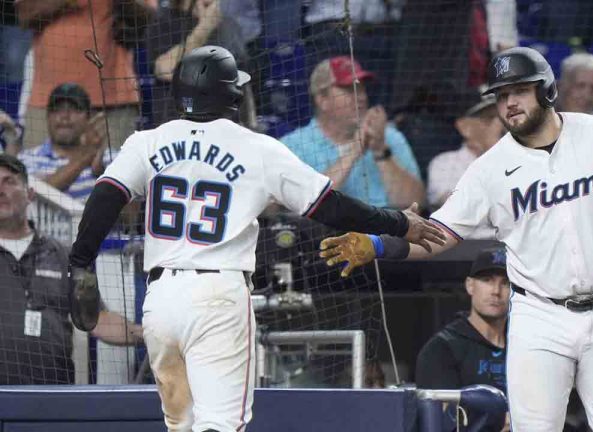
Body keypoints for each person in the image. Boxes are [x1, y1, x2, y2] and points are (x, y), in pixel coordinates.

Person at [67, 45, 444, 432]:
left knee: (181, 426)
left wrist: (80, 263)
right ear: (231, 94)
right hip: (218, 296)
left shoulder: (146, 141)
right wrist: (397, 222)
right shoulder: (256, 147)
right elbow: (329, 206)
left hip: (160, 300)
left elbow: (105, 197)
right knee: (221, 424)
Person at [319, 47, 593, 431]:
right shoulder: (489, 170)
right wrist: (382, 246)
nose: (509, 103)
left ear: (546, 90)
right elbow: (440, 234)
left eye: (518, 91)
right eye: (501, 95)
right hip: (540, 317)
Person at [0, 154, 141, 385]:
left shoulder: (64, 255)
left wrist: (146, 333)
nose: (1, 190)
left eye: (9, 181)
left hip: (53, 397)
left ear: (30, 195)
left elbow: (96, 319)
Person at [280, 56, 425, 209]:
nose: (361, 97)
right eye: (350, 90)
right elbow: (305, 206)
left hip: (387, 231)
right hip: (324, 232)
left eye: (362, 89)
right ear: (323, 100)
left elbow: (416, 205)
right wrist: (354, 151)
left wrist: (380, 151)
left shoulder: (390, 137)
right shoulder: (291, 146)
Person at [15, 0, 141, 151]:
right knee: (37, 172)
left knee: (117, 173)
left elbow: (147, 17)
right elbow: (24, 15)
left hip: (113, 99)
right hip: (48, 102)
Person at [144, 0, 251, 127]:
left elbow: (244, 84)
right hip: (180, 125)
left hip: (226, 126)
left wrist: (251, 124)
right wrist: (203, 28)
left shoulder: (230, 25)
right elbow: (165, 70)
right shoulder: (162, 22)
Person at [416, 247, 509, 392]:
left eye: (505, 283)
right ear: (470, 285)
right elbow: (440, 411)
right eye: (487, 280)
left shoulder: (525, 345)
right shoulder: (443, 348)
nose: (496, 291)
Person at [18, 83, 108, 201]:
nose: (65, 116)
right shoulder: (26, 159)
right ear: (48, 116)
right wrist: (85, 158)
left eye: (75, 109)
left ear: (89, 117)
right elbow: (35, 196)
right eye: (57, 109)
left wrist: (103, 176)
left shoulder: (110, 158)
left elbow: (130, 215)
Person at [427, 86, 503, 209]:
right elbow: (452, 206)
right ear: (464, 127)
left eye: (501, 117)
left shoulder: (520, 157)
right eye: (488, 119)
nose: (499, 125)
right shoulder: (445, 163)